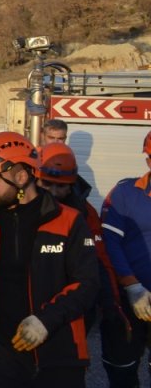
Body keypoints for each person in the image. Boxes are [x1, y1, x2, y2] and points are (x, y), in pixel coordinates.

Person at [0, 131, 98, 388]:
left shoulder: (69, 221)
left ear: (21, 177)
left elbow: (87, 284)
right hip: (3, 358)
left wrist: (45, 321)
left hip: (60, 354)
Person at [36, 143, 119, 332]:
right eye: (47, 184)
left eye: (61, 186)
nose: (53, 192)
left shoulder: (84, 213)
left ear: (71, 185)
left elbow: (101, 258)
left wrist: (112, 303)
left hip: (72, 303)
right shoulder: (21, 207)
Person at [97, 129, 151, 387]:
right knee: (122, 368)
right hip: (131, 300)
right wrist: (131, 285)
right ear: (148, 160)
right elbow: (110, 242)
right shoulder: (125, 193)